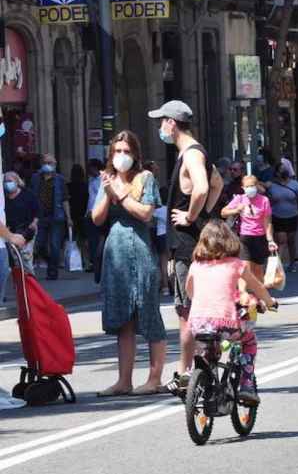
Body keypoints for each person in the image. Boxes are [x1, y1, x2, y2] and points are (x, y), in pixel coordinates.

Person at [150, 99, 223, 391]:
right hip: (193, 239)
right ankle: (199, 369)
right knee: (197, 308)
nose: (160, 128)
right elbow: (217, 183)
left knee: (186, 312)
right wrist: (204, 215)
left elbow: (205, 186)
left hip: (185, 243)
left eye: (161, 121)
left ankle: (185, 373)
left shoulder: (190, 154)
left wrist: (192, 216)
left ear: (171, 123)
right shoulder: (197, 151)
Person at [90, 130, 168, 396]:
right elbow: (97, 219)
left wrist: (122, 194)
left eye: (127, 151)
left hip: (141, 251)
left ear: (135, 155)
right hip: (116, 255)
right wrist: (106, 191)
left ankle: (154, 378)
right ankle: (124, 380)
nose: (122, 156)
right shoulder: (108, 181)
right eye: (117, 152)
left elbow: (146, 214)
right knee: (123, 320)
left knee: (148, 314)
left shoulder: (145, 178)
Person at [187, 220, 277, 406]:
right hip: (224, 323)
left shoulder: (196, 265)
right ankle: (246, 384)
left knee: (208, 347)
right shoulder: (236, 264)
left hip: (197, 323)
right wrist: (270, 302)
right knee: (248, 340)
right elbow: (257, 287)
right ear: (230, 241)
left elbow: (190, 291)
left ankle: (200, 378)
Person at [221, 175, 275, 282]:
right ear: (243, 188)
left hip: (260, 237)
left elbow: (267, 221)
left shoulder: (264, 200)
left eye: (253, 185)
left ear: (257, 186)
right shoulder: (240, 199)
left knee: (258, 268)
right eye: (248, 186)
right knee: (245, 268)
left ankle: (260, 293)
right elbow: (223, 212)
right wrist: (236, 210)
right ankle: (243, 294)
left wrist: (270, 240)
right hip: (245, 237)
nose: (250, 188)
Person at [267, 163, 298, 272]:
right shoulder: (271, 185)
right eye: (281, 170)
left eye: (285, 170)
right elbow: (263, 194)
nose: (284, 172)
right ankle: (277, 266)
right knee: (281, 240)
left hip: (292, 216)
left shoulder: (294, 184)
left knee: (291, 241)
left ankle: (292, 262)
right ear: (277, 173)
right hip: (277, 216)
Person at [30, 154, 70, 280]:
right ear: (41, 164)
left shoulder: (60, 179)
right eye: (46, 162)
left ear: (55, 165)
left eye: (51, 163)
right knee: (39, 244)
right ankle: (50, 261)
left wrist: (69, 217)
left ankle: (52, 272)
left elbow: (64, 199)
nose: (48, 165)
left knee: (54, 245)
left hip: (56, 216)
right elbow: (30, 196)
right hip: (39, 217)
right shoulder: (35, 178)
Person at [4, 171, 39, 275]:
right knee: (16, 258)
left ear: (16, 181)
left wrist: (34, 223)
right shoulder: (4, 198)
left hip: (27, 229)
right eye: (5, 181)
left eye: (9, 181)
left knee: (26, 256)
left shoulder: (27, 194)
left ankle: (30, 281)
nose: (7, 183)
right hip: (12, 231)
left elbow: (37, 210)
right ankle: (21, 283)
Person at [84, 159, 104, 278]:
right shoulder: (91, 180)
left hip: (98, 212)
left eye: (91, 168)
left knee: (98, 239)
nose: (89, 171)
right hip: (89, 213)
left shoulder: (103, 179)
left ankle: (98, 263)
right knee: (92, 240)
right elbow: (91, 197)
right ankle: (94, 262)